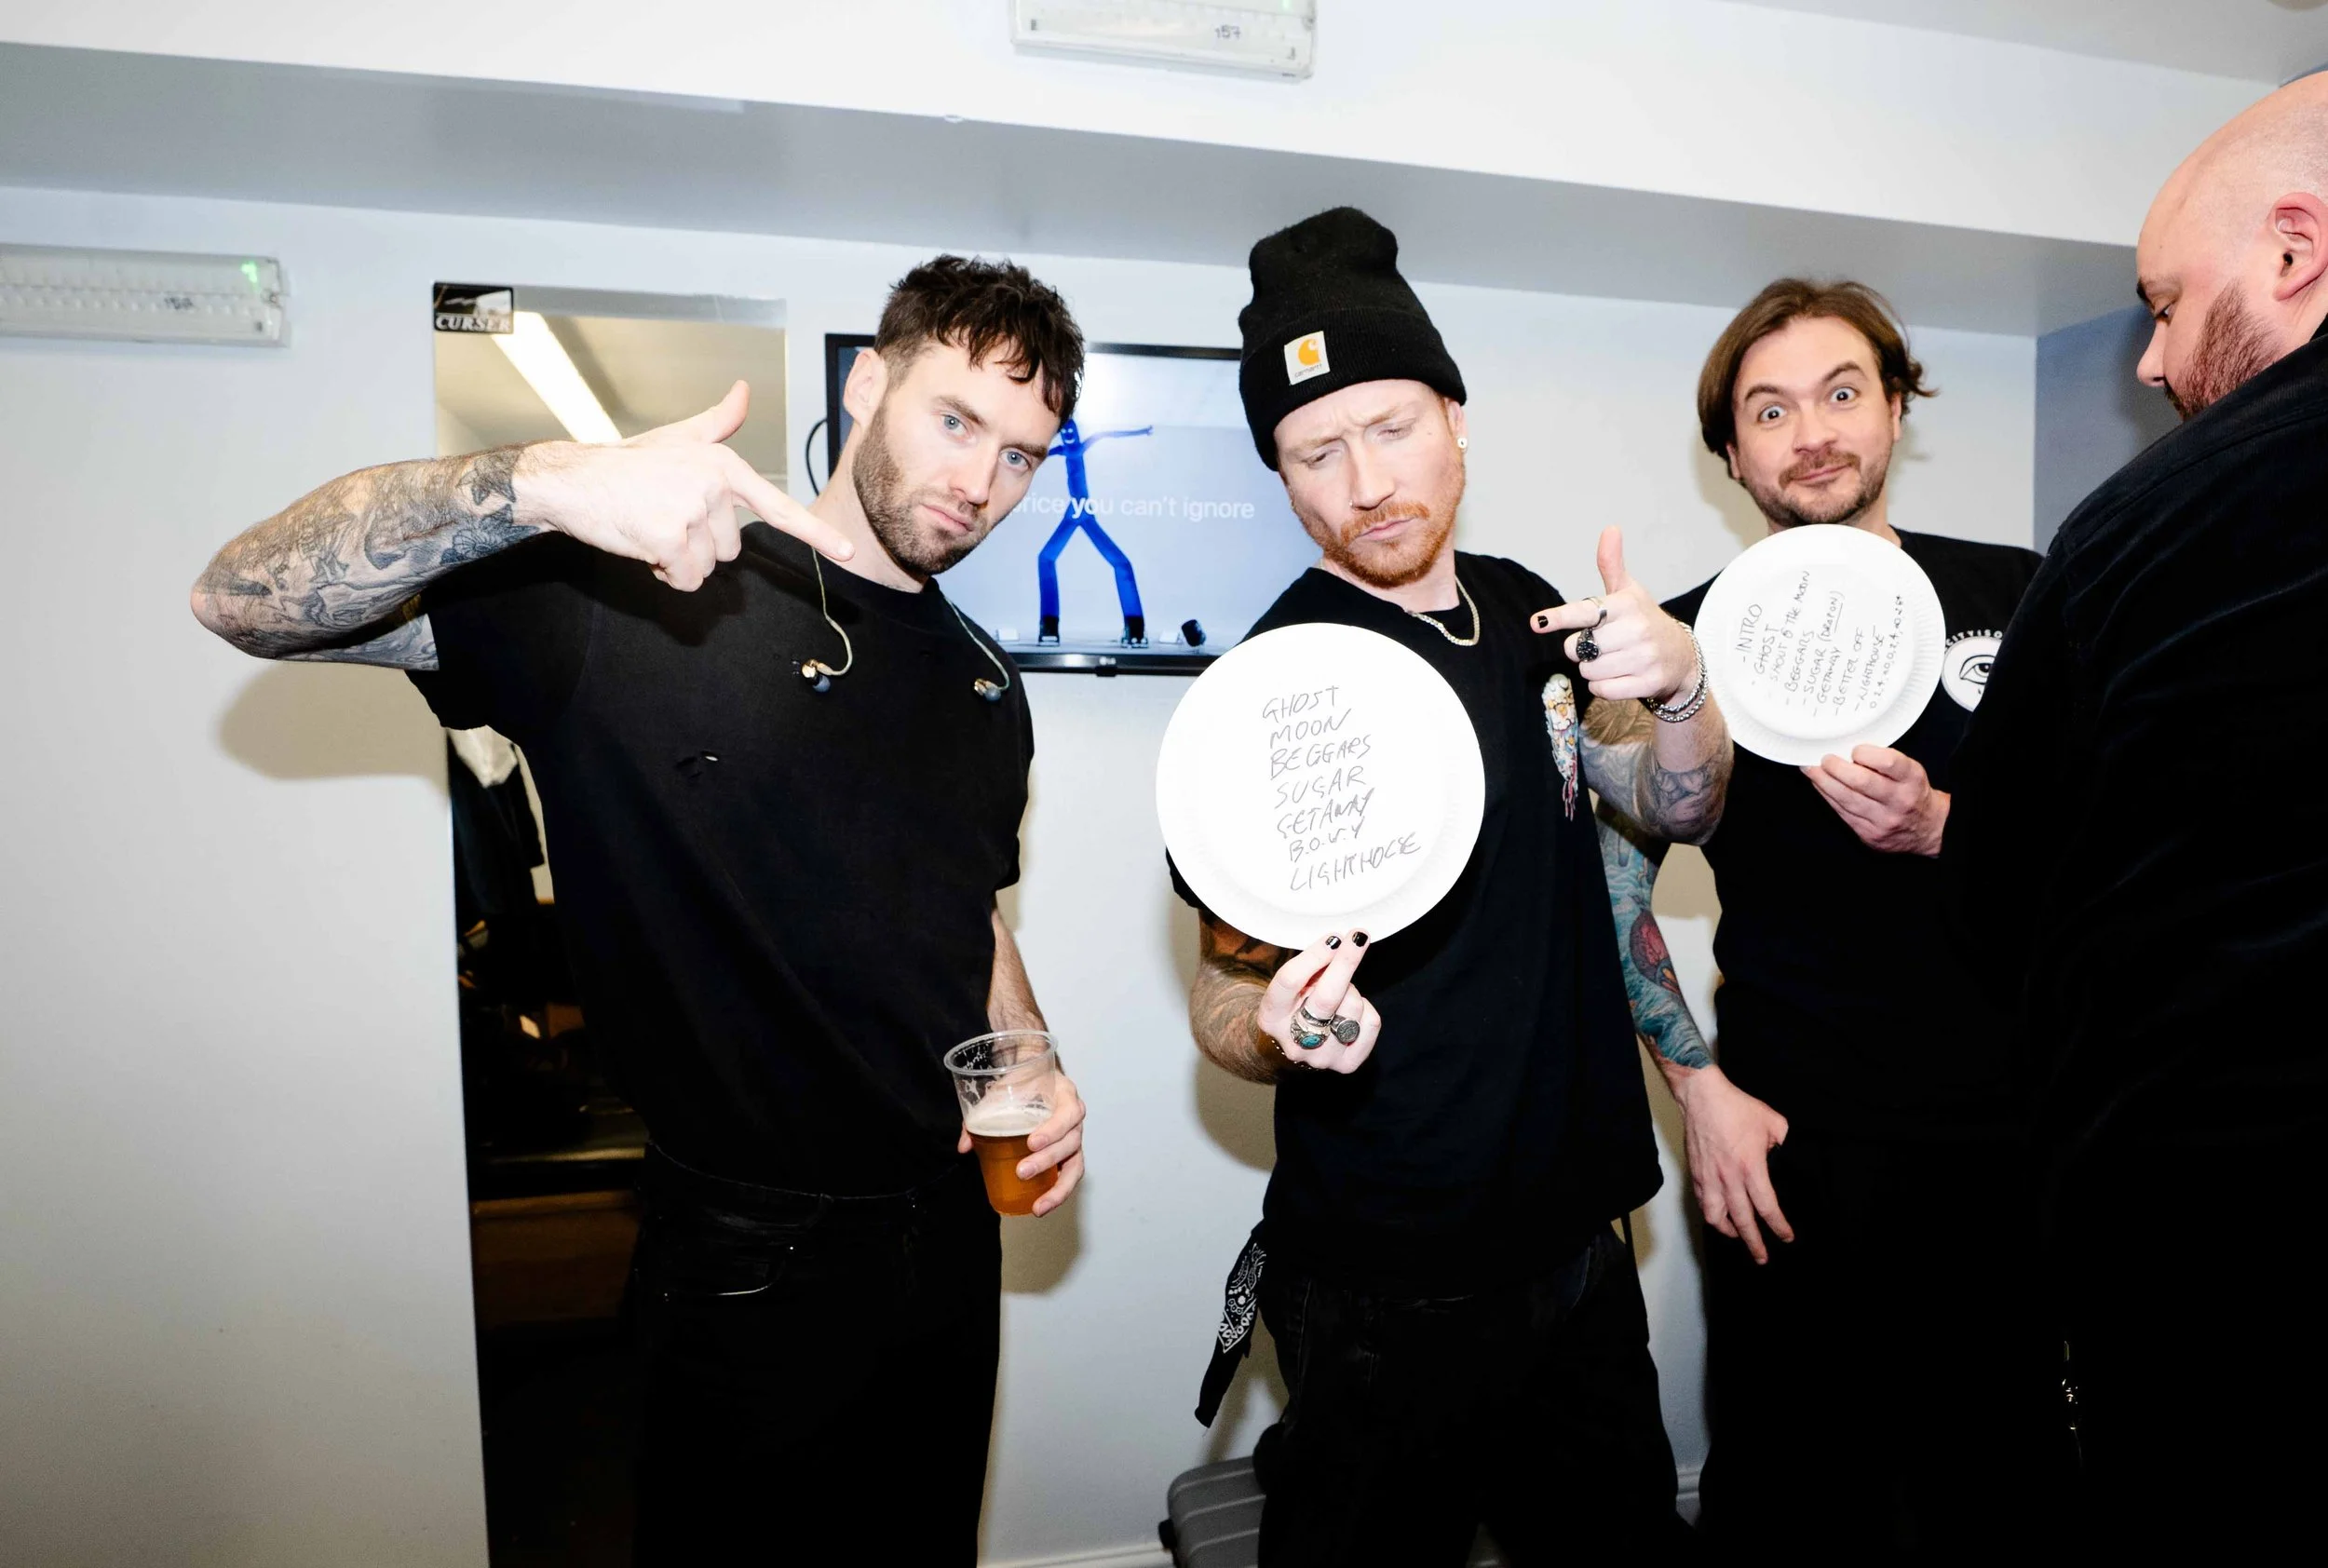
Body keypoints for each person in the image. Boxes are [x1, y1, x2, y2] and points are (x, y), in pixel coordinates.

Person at [190, 256, 1090, 1564]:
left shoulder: (984, 687)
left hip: (948, 1245)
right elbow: (239, 598)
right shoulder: (619, 592)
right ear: (868, 383)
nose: (979, 483)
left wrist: (1033, 1057)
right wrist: (539, 482)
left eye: (1021, 456)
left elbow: (968, 912)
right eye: (956, 421)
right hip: (745, 1260)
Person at [1179, 207, 1719, 1565]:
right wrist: (1282, 1033)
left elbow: (1676, 804)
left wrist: (1688, 688)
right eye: (1316, 451)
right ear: (1283, 478)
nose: (1364, 480)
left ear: (1456, 419)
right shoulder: (1269, 687)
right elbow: (1221, 1000)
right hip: (1379, 1288)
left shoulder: (1534, 610)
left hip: (1582, 1249)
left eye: (1393, 426)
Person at [1599, 278, 2063, 1553]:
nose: (1814, 431)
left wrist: (1947, 826)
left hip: (2006, 1137)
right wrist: (1696, 1091)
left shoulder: (2018, 595)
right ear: (1731, 455)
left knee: (2000, 1485)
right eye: (1772, 409)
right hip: (1787, 1144)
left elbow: (2117, 842)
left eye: (1843, 393)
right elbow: (1609, 892)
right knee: (1796, 1498)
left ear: (1897, 408)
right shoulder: (1680, 645)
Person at [1946, 74, 2328, 1553]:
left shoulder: (2135, 530)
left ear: (2294, 250)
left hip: (2212, 1272)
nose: (2158, 361)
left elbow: (1995, 894)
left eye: (2167, 303)